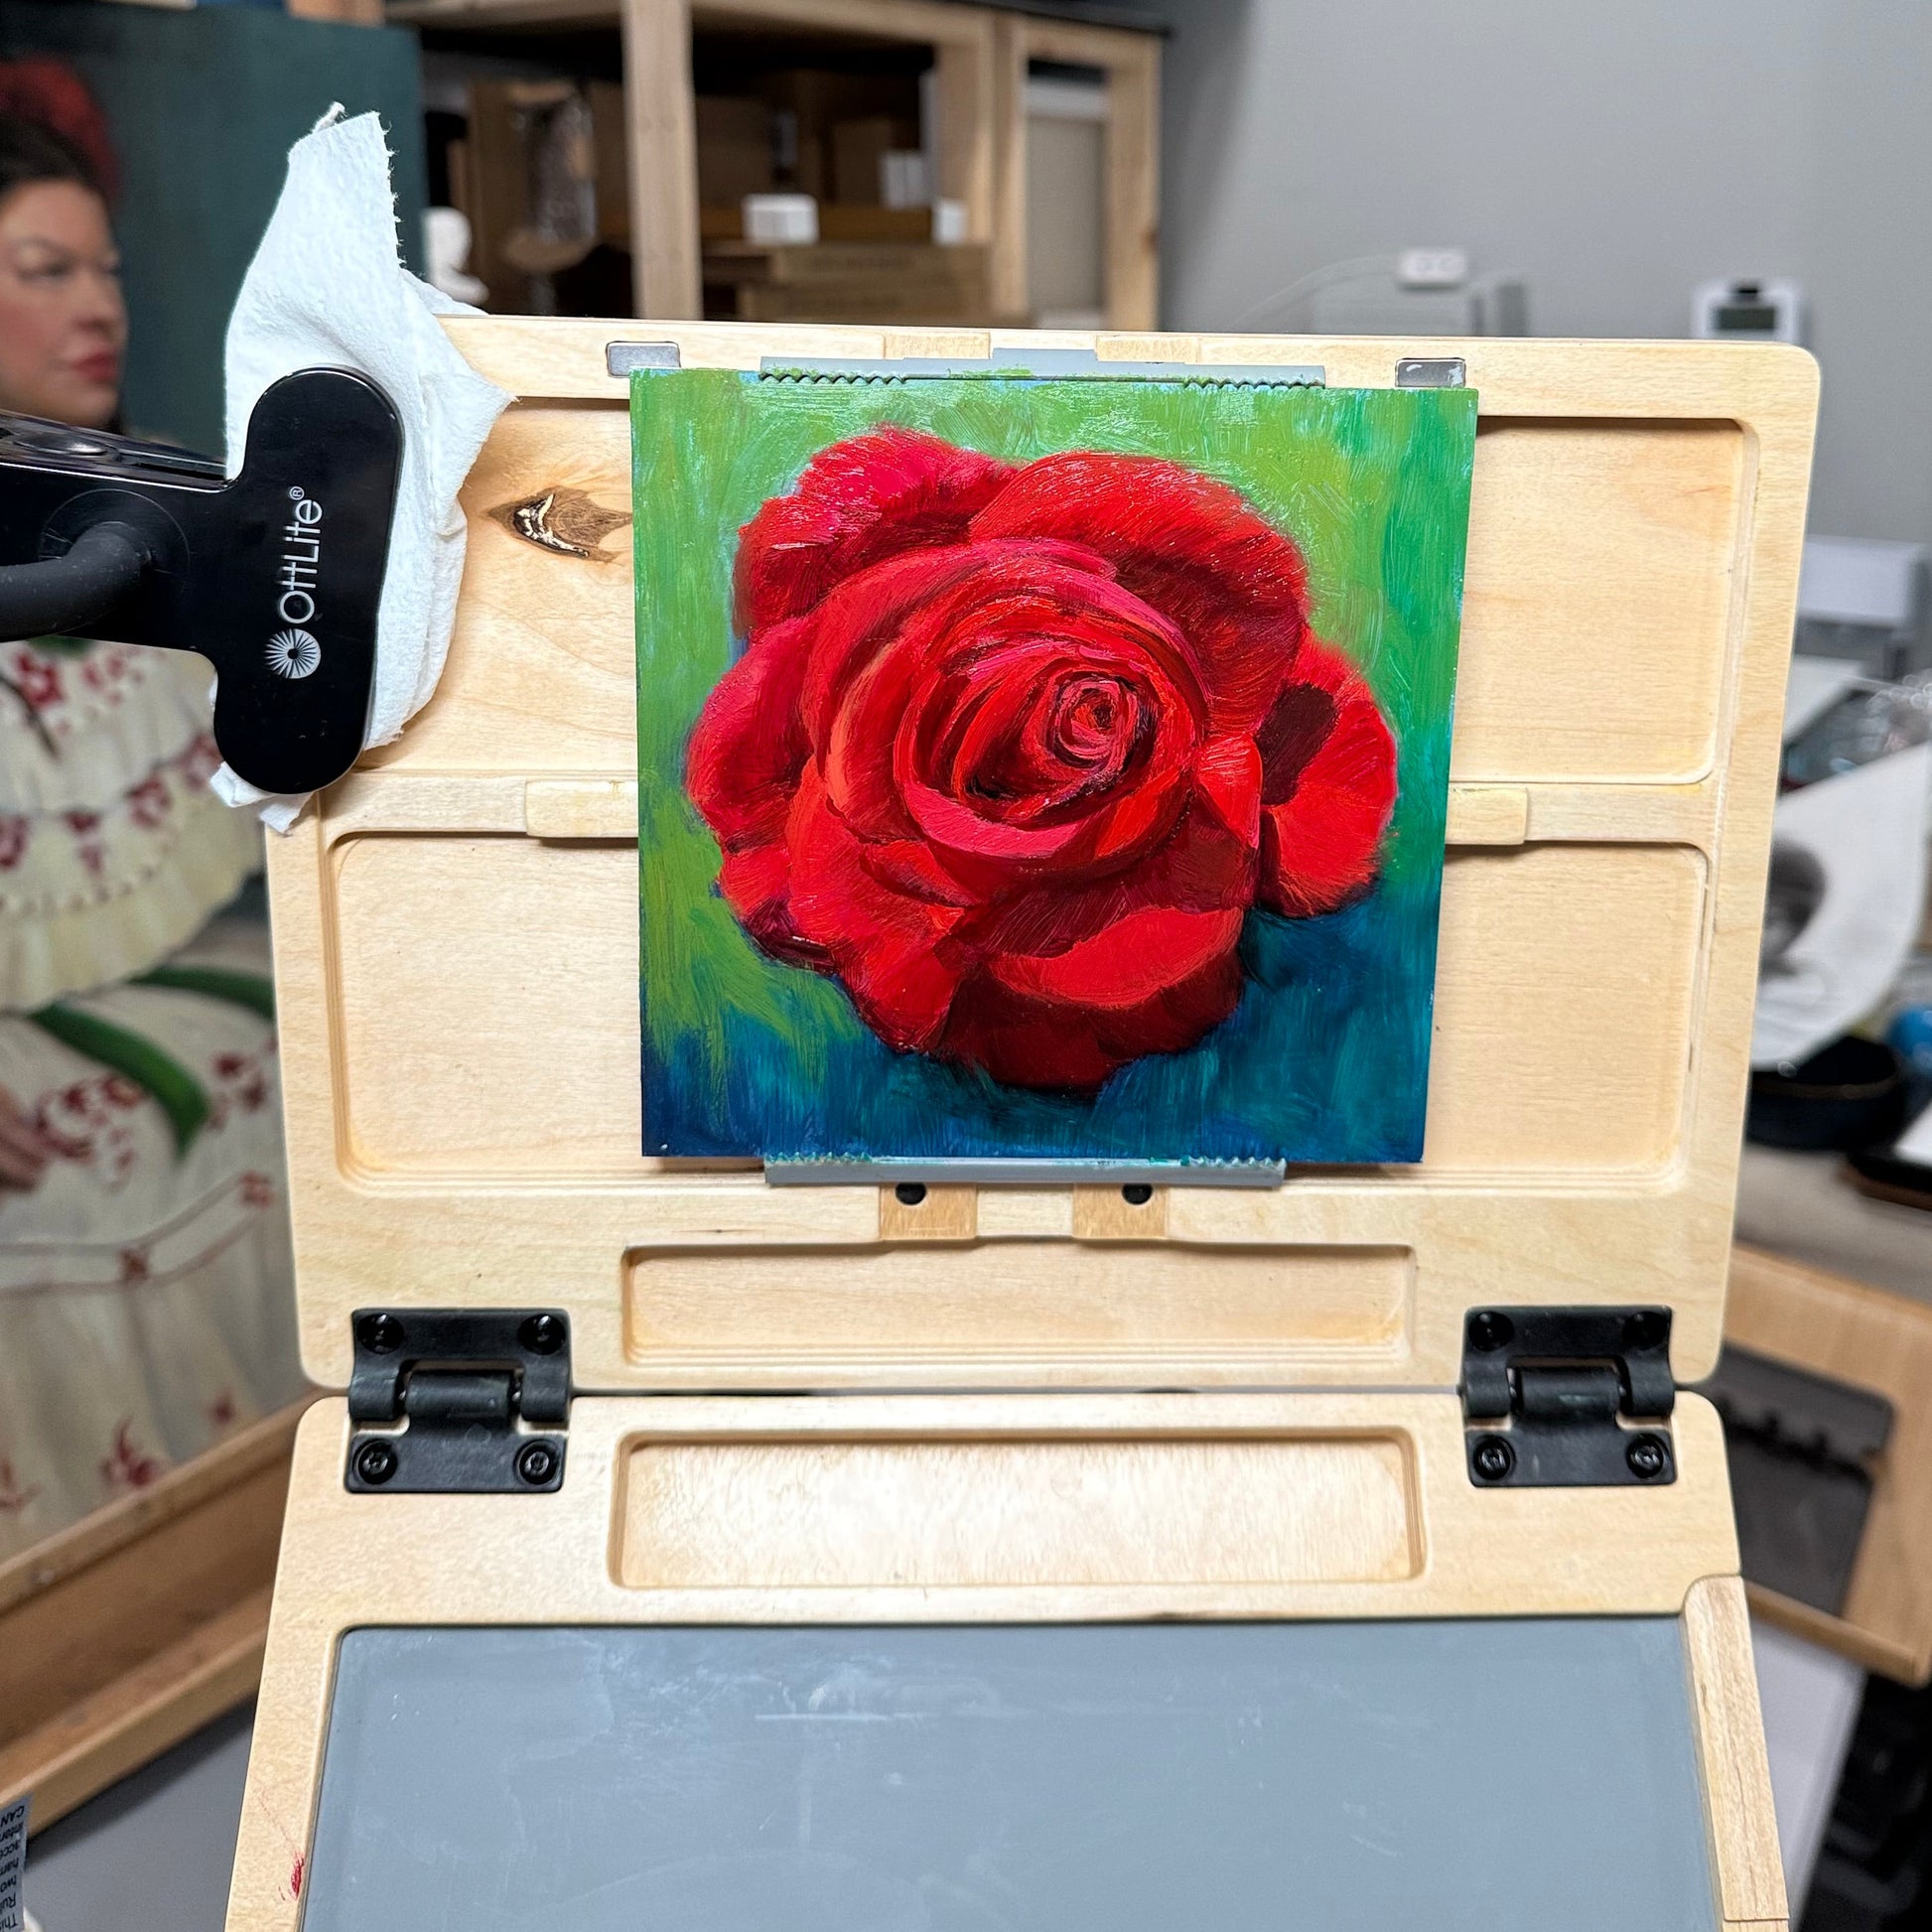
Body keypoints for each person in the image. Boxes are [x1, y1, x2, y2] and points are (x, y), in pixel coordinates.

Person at [0, 96, 304, 1557]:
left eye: (106, 267)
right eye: (44, 269)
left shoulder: (180, 511)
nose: (99, 306)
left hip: (182, 976)